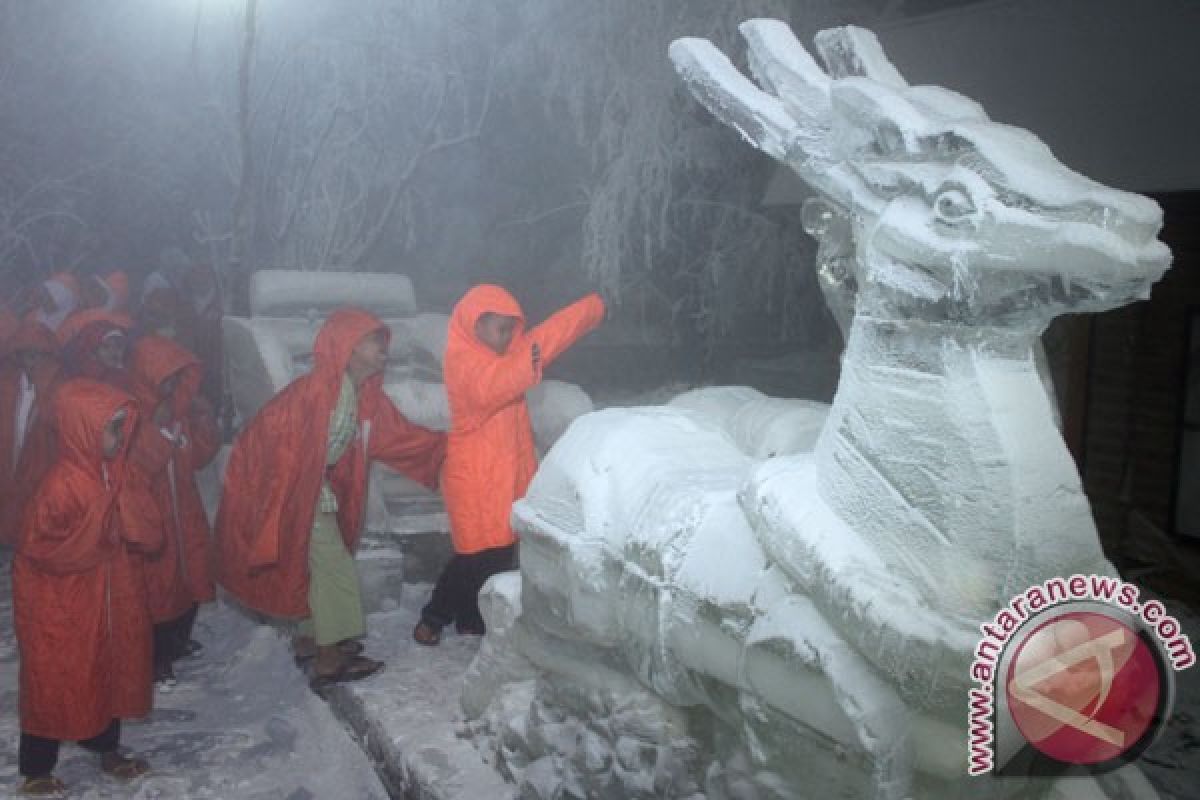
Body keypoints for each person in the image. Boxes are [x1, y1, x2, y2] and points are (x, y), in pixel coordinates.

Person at [215, 308, 446, 687]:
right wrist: (282, 498)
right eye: (374, 341)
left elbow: (399, 437)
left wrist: (449, 448)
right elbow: (277, 446)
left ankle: (311, 638)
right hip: (295, 494)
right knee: (335, 568)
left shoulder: (360, 394)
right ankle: (329, 658)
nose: (384, 348)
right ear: (348, 347)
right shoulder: (317, 392)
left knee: (318, 568)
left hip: (311, 493)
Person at [413, 285, 604, 646]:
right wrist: (531, 352)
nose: (506, 338)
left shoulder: (504, 356)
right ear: (475, 326)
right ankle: (432, 618)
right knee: (472, 559)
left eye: (510, 330)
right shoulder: (464, 364)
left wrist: (591, 310)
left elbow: (550, 334)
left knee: (499, 554)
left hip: (504, 475)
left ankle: (473, 619)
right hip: (475, 481)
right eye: (499, 329)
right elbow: (498, 385)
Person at [12, 379, 155, 795]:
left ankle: (105, 748)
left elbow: (148, 532)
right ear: (82, 430)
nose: (119, 436)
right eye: (112, 428)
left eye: (121, 426)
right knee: (55, 677)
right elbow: (41, 550)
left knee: (107, 667)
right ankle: (36, 767)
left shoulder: (117, 473)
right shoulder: (60, 484)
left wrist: (127, 517)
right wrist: (102, 534)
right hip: (61, 603)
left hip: (110, 596)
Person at [127, 335, 221, 689]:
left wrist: (202, 420)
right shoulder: (133, 417)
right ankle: (156, 657)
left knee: (193, 579)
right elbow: (137, 467)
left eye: (175, 378)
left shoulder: (177, 415)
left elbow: (198, 457)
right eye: (165, 378)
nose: (170, 386)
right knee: (158, 590)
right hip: (156, 516)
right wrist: (158, 430)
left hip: (187, 513)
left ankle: (178, 643)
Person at [0, 321, 61, 548]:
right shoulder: (6, 385)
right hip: (7, 470)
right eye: (28, 354)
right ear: (19, 356)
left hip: (38, 477)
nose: (33, 361)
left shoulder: (57, 390)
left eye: (39, 354)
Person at [56, 309, 133, 387]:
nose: (113, 351)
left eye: (118, 345)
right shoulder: (86, 379)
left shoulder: (130, 365)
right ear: (94, 352)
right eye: (106, 347)